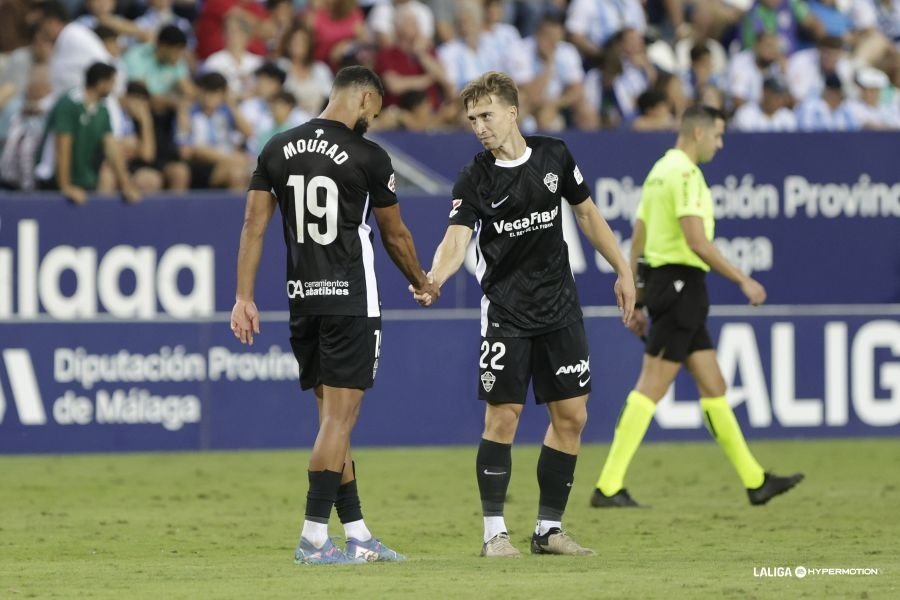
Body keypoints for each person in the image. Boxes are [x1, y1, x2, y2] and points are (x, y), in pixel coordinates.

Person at [413, 71, 635, 558]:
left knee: (572, 417)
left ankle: (548, 529)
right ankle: (495, 532)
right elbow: (457, 239)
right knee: (504, 417)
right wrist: (435, 278)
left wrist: (623, 269)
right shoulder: (475, 176)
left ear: (512, 113)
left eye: (486, 115)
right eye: (471, 119)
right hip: (506, 312)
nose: (478, 126)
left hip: (560, 308)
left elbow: (587, 215)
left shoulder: (554, 155)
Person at [230, 65, 439, 565]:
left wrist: (243, 297)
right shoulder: (368, 156)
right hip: (350, 300)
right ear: (366, 98)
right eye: (376, 109)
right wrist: (420, 280)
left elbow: (253, 226)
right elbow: (395, 235)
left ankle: (359, 534)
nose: (374, 119)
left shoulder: (278, 147)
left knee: (331, 422)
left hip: (303, 299)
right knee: (340, 421)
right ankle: (313, 538)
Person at [589, 104, 805, 510]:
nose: (720, 144)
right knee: (651, 384)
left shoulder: (659, 170)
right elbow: (696, 241)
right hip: (681, 285)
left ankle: (755, 481)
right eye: (719, 135)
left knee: (714, 386)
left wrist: (636, 288)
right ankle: (609, 486)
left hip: (663, 283)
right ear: (700, 133)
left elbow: (638, 234)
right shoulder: (686, 174)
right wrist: (743, 279)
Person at [33, 62, 140, 204]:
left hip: (85, 181)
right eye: (112, 83)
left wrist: (125, 184)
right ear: (102, 83)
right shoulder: (69, 104)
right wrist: (65, 186)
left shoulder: (102, 110)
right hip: (53, 181)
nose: (114, 88)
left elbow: (111, 148)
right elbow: (62, 146)